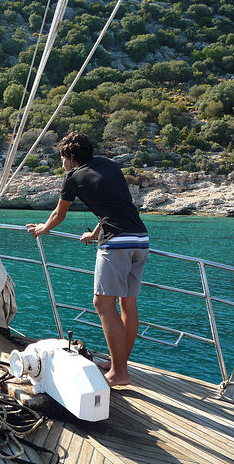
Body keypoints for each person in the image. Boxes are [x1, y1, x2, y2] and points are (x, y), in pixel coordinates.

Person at [26, 131, 148, 386]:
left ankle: (119, 373)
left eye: (62, 158)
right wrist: (94, 234)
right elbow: (115, 206)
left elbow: (59, 214)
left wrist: (42, 229)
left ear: (70, 157)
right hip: (140, 238)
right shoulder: (110, 165)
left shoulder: (72, 176)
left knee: (102, 304)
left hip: (116, 243)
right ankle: (119, 364)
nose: (62, 165)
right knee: (128, 304)